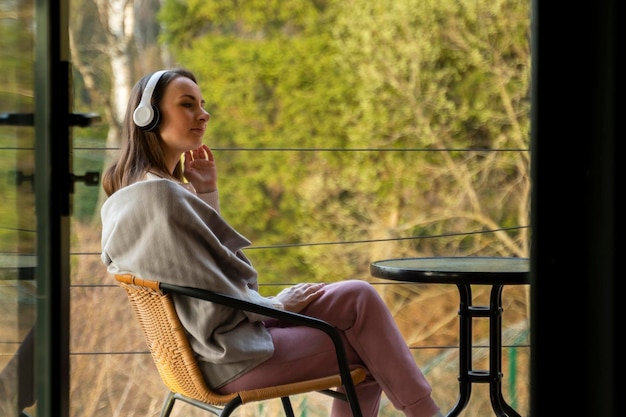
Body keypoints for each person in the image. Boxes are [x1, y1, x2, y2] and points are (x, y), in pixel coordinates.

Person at [100, 68, 444, 417]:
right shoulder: (161, 197)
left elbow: (207, 271)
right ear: (148, 116)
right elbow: (223, 287)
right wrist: (278, 305)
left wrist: (206, 195)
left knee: (357, 296)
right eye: (187, 105)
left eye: (202, 105)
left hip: (218, 341)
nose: (203, 114)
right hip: (229, 356)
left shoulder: (139, 193)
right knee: (371, 349)